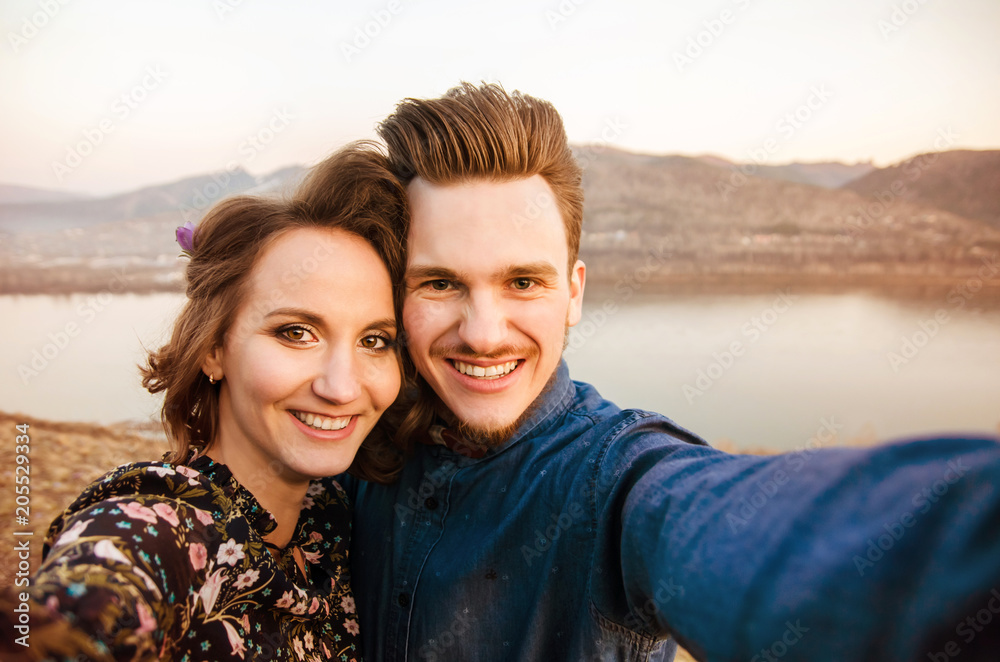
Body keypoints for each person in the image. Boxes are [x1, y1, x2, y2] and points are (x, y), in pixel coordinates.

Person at [335, 83, 1000, 661]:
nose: (483, 332)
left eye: (522, 282)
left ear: (575, 291)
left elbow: (740, 532)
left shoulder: (615, 482)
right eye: (442, 283)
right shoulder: (357, 437)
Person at [2, 142, 408, 661]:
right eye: (296, 332)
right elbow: (93, 601)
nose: (342, 387)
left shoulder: (336, 520)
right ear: (214, 348)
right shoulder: (159, 529)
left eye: (374, 340)